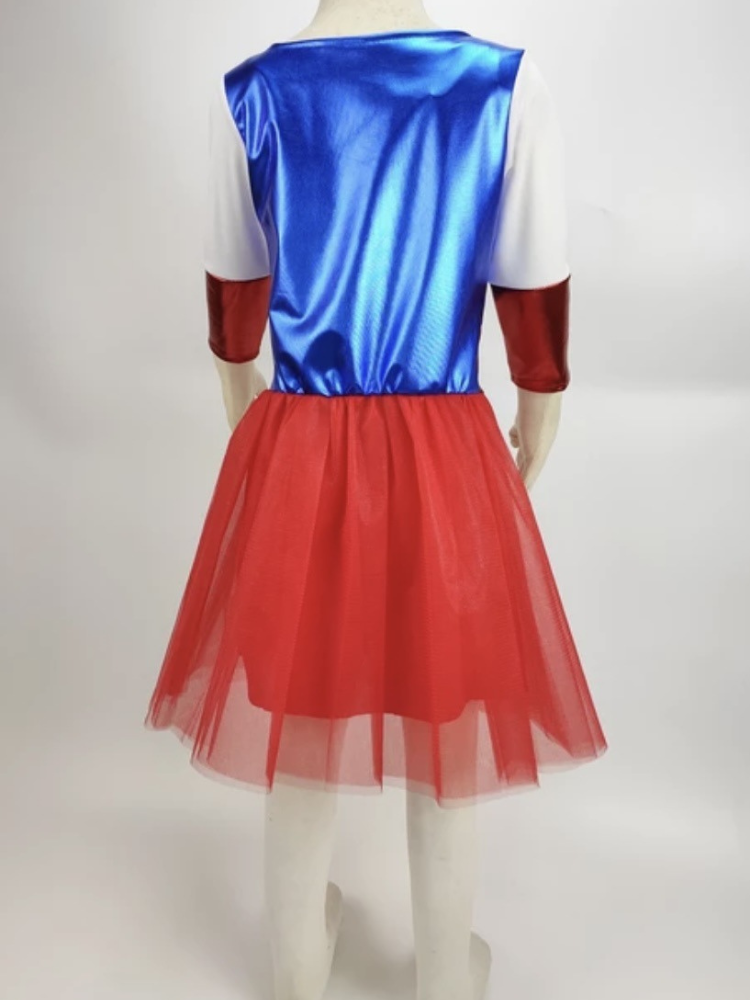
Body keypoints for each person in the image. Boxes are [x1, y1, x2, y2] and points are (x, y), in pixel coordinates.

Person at [144, 4, 608, 998]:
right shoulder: (502, 86)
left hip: (302, 436)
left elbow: (235, 288)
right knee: (447, 713)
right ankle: (444, 971)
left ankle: (296, 964)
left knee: (299, 712)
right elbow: (534, 273)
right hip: (444, 440)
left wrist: (244, 395)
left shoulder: (253, 94)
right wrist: (540, 397)